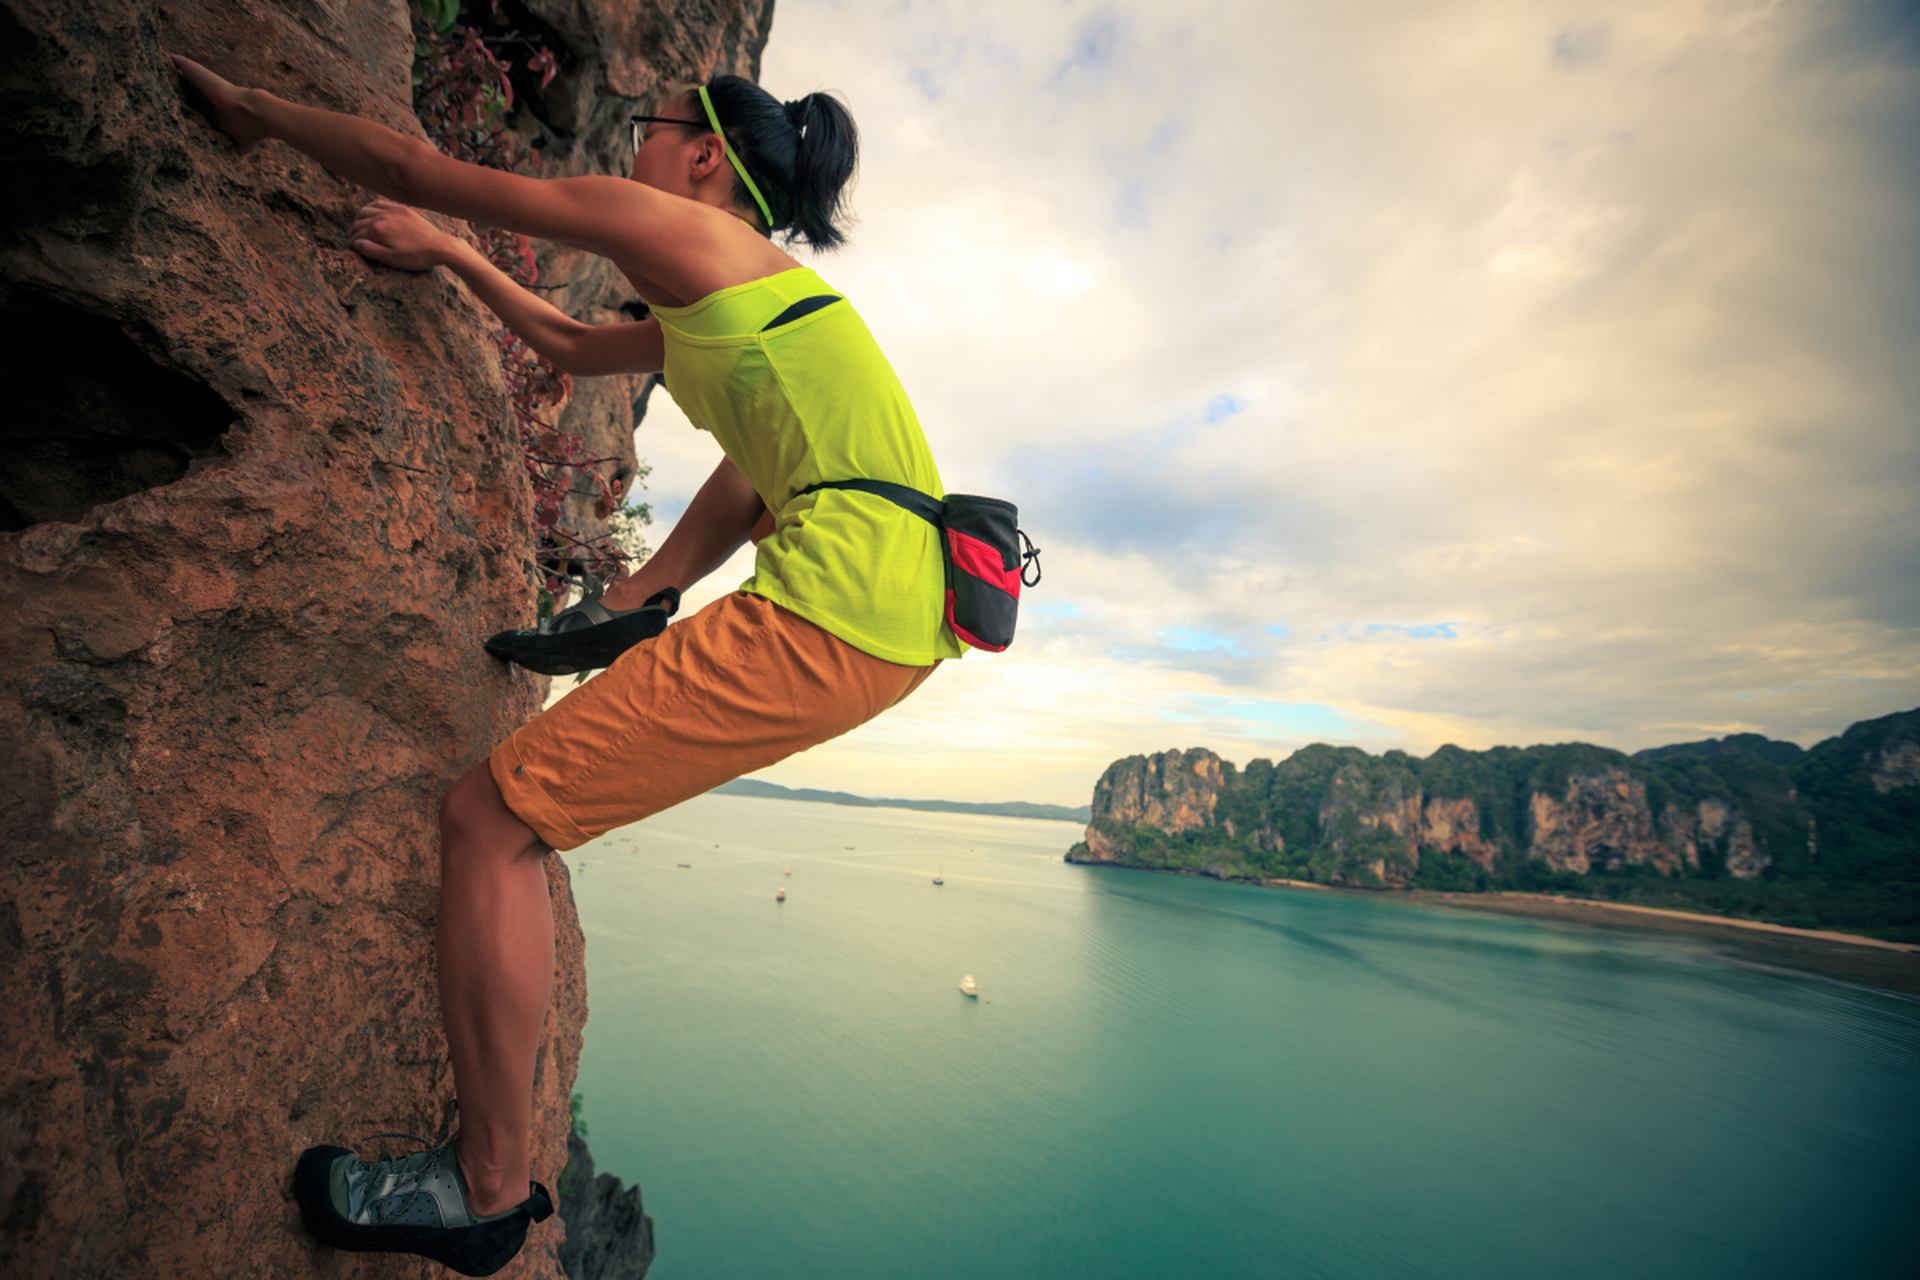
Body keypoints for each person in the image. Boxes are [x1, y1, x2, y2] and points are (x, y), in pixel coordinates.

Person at [171, 52, 959, 1276]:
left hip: (834, 611)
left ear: (701, 154)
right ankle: (482, 1169)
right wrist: (453, 260)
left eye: (644, 128)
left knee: (489, 821)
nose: (628, 145)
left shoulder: (681, 234)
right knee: (507, 813)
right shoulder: (746, 302)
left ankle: (481, 1192)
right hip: (883, 614)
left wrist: (249, 106)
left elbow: (412, 165)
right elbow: (592, 355)